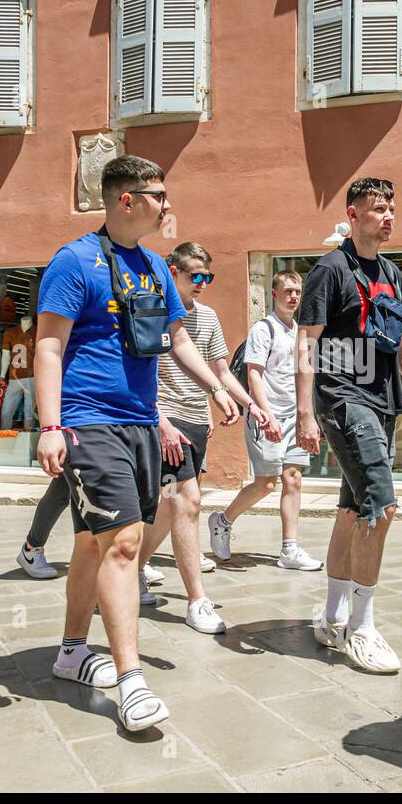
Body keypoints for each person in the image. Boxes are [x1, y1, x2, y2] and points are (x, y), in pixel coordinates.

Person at [36, 154, 236, 733]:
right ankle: (131, 680)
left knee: (92, 546)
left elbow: (177, 342)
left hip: (141, 424)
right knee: (124, 543)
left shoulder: (152, 265)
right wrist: (51, 427)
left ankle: (72, 652)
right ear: (128, 199)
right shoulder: (73, 262)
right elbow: (48, 346)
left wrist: (224, 389)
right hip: (87, 421)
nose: (168, 204)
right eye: (159, 194)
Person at [296, 177, 402, 674]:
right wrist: (305, 412)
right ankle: (363, 628)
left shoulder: (393, 273)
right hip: (342, 397)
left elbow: (400, 344)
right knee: (384, 504)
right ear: (353, 215)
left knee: (353, 510)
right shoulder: (329, 270)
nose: (389, 215)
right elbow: (306, 343)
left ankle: (333, 616)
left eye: (391, 207)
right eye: (378, 208)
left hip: (381, 399)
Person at [135, 241, 266, 633]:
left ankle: (135, 569)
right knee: (188, 502)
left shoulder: (206, 317)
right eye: (195, 275)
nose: (203, 283)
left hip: (195, 422)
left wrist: (249, 406)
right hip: (166, 420)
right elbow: (140, 375)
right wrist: (161, 421)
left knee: (169, 505)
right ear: (172, 270)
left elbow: (222, 373)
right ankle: (197, 601)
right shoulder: (152, 313)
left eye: (208, 276)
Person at [208, 269, 323, 571]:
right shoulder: (264, 329)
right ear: (274, 294)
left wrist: (306, 413)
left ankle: (290, 549)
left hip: (293, 417)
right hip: (266, 417)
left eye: (297, 291)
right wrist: (265, 414)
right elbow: (253, 374)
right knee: (266, 484)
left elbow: (305, 373)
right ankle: (222, 521)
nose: (293, 296)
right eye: (287, 291)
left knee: (293, 479)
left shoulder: (300, 330)